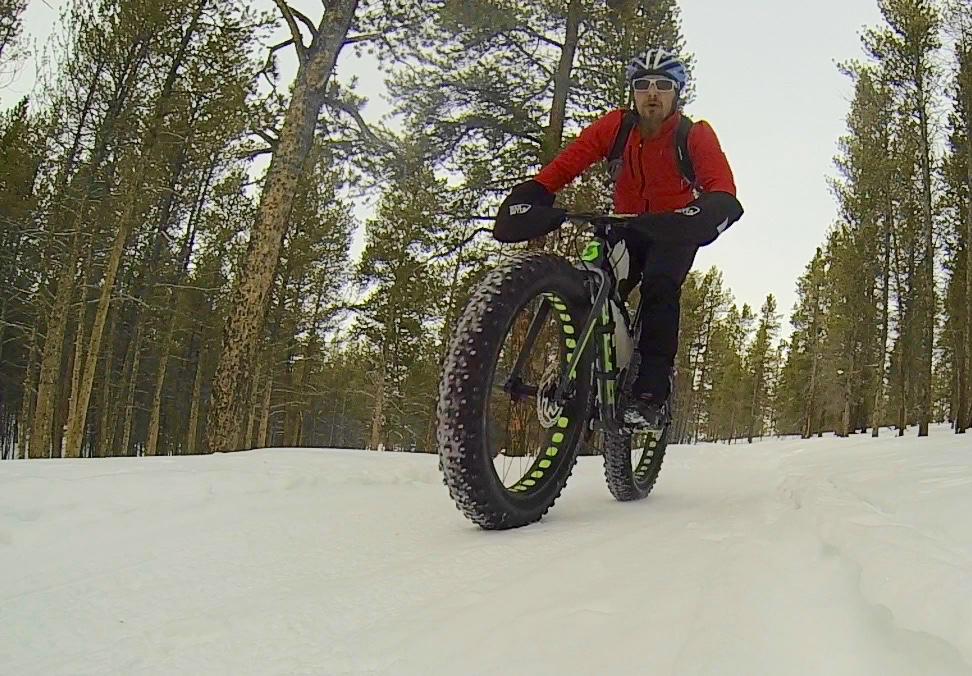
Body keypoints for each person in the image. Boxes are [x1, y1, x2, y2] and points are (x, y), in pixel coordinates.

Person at [493, 48, 744, 424]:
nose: (653, 94)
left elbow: (722, 189)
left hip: (673, 231)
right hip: (626, 225)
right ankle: (580, 368)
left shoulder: (694, 135)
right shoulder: (616, 128)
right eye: (643, 86)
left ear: (677, 93)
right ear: (633, 93)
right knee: (592, 278)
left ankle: (650, 392)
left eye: (663, 85)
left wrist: (702, 214)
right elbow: (570, 161)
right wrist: (535, 193)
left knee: (660, 285)